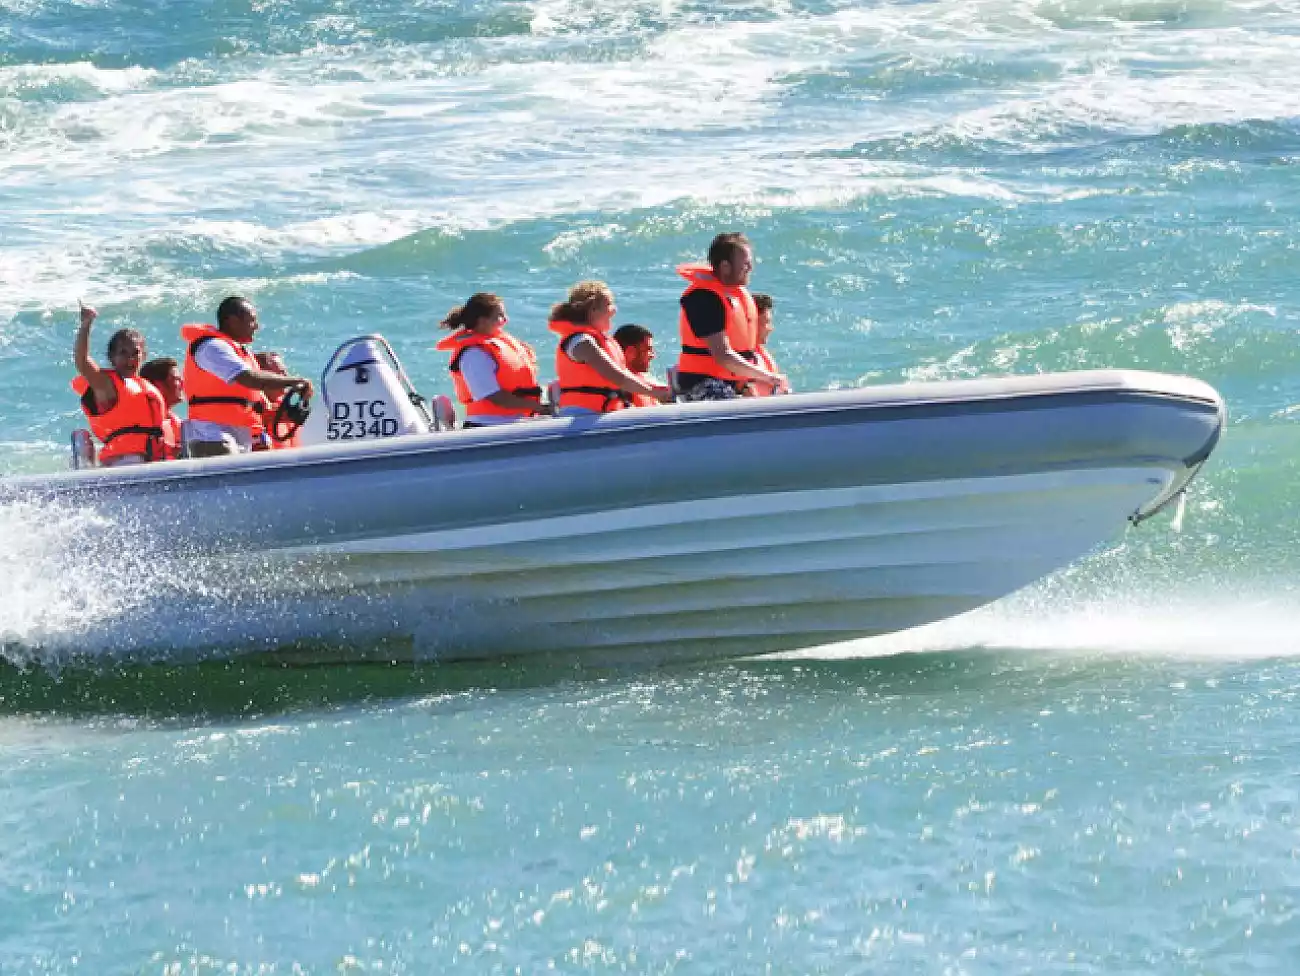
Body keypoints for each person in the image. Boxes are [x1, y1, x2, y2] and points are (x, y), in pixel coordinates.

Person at [181, 297, 313, 458]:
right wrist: (294, 382)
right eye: (252, 321)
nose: (256, 326)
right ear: (233, 321)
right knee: (230, 479)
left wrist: (286, 413)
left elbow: (258, 402)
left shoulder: (240, 352)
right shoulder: (212, 348)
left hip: (239, 435)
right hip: (213, 434)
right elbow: (249, 378)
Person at [675, 232, 785, 401]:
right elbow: (723, 355)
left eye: (750, 263)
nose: (750, 268)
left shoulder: (737, 295)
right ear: (725, 266)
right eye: (745, 264)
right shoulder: (704, 298)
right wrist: (767, 376)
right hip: (702, 383)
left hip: (733, 383)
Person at [549, 282, 671, 416]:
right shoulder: (581, 342)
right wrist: (654, 393)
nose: (614, 310)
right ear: (593, 309)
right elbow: (616, 376)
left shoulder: (599, 340)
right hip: (582, 414)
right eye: (609, 304)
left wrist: (656, 389)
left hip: (604, 413)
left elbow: (625, 375)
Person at [71, 302, 169, 467]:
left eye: (135, 353)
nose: (130, 359)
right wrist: (86, 325)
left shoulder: (146, 388)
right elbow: (83, 363)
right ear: (112, 357)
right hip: (121, 463)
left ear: (143, 355)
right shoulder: (107, 385)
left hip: (151, 461)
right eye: (123, 353)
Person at [434, 292, 550, 427]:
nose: (506, 320)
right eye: (499, 316)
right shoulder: (474, 353)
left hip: (517, 421)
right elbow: (494, 396)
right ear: (482, 321)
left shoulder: (500, 344)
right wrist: (540, 408)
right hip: (488, 425)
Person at [139, 356, 185, 459]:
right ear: (157, 386)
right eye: (177, 379)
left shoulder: (175, 423)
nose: (183, 384)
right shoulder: (141, 423)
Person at [253, 351, 301, 449]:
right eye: (281, 373)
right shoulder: (254, 410)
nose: (287, 377)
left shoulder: (286, 409)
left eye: (285, 372)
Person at [746, 293, 790, 397]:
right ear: (752, 323)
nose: (771, 328)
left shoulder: (759, 354)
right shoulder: (742, 362)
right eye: (767, 322)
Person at [613, 323, 664, 408]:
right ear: (630, 352)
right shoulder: (623, 391)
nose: (653, 355)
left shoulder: (641, 381)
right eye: (648, 350)